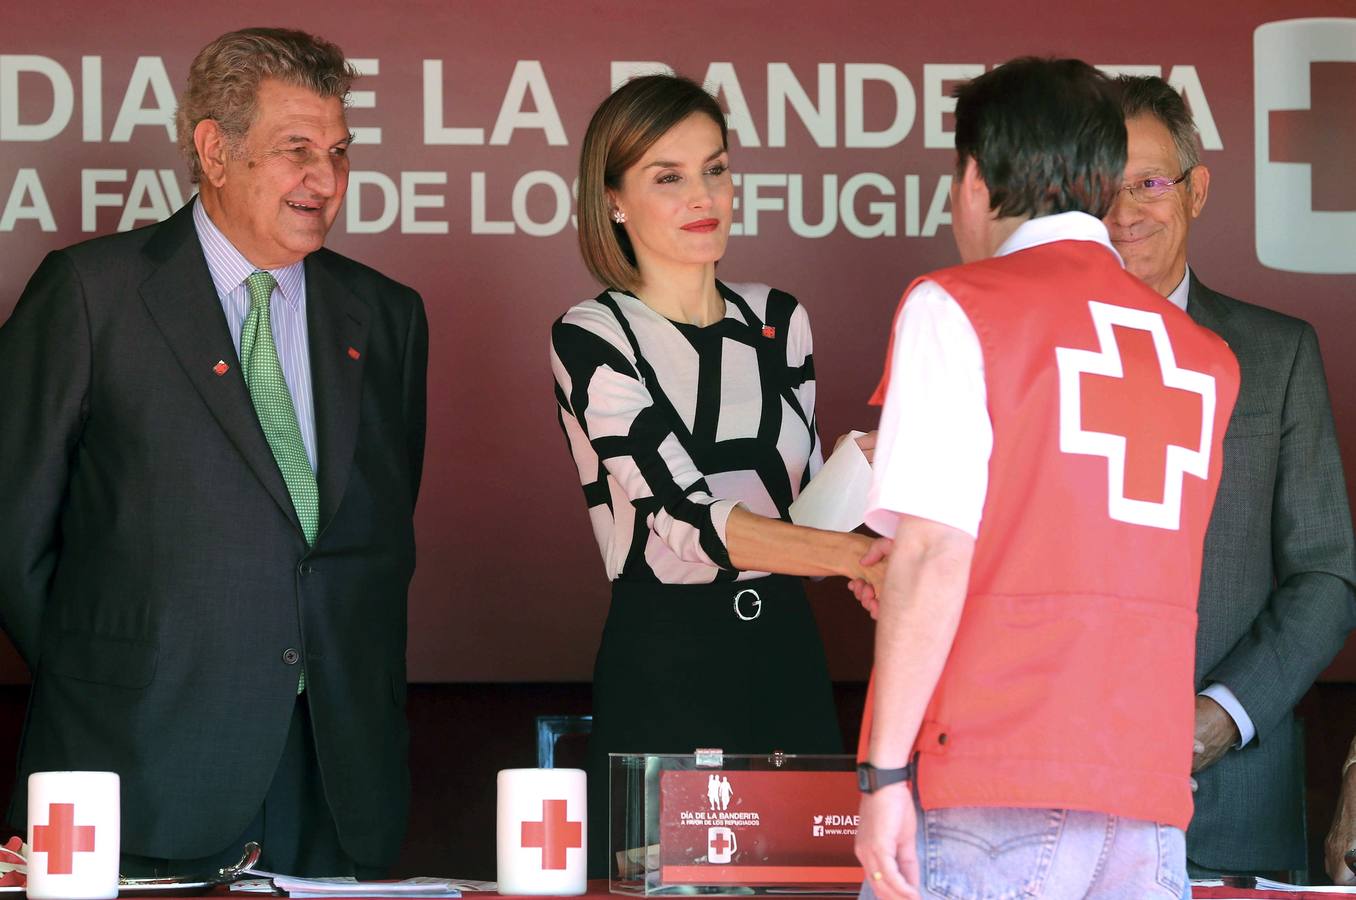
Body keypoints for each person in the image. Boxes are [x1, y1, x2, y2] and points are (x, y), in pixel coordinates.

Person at [0, 28, 428, 877]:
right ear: (214, 150)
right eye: (296, 150)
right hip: (138, 764)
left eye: (338, 152)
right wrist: (125, 677)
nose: (326, 178)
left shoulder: (387, 315)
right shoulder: (91, 293)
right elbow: (12, 537)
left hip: (335, 773)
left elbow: (371, 541)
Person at [851, 58, 1239, 900]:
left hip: (994, 776)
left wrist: (882, 778)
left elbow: (931, 555)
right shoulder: (1202, 358)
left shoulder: (958, 306)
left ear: (979, 179)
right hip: (1148, 798)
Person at [549, 74, 882, 877]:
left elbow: (801, 517)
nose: (704, 196)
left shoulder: (780, 318)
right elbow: (686, 518)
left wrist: (864, 476)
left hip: (786, 651)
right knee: (668, 890)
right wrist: (859, 560)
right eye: (668, 176)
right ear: (615, 202)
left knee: (809, 888)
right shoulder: (591, 333)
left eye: (716, 169)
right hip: (667, 656)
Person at [1106, 75, 1356, 879]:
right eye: (1098, 188)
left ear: (1197, 189)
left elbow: (1325, 573)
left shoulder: (1277, 355)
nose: (1123, 213)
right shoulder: (1030, 356)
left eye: (1147, 182)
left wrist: (1223, 713)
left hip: (1235, 796)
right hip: (1064, 808)